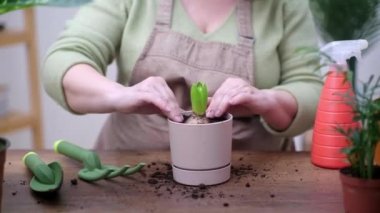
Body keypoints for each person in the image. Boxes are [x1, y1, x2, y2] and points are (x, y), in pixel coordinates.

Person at [42, 0, 323, 151]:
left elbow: (309, 87)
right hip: (130, 176)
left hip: (257, 182)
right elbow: (65, 60)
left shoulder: (285, 5)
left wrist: (268, 100)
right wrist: (121, 95)